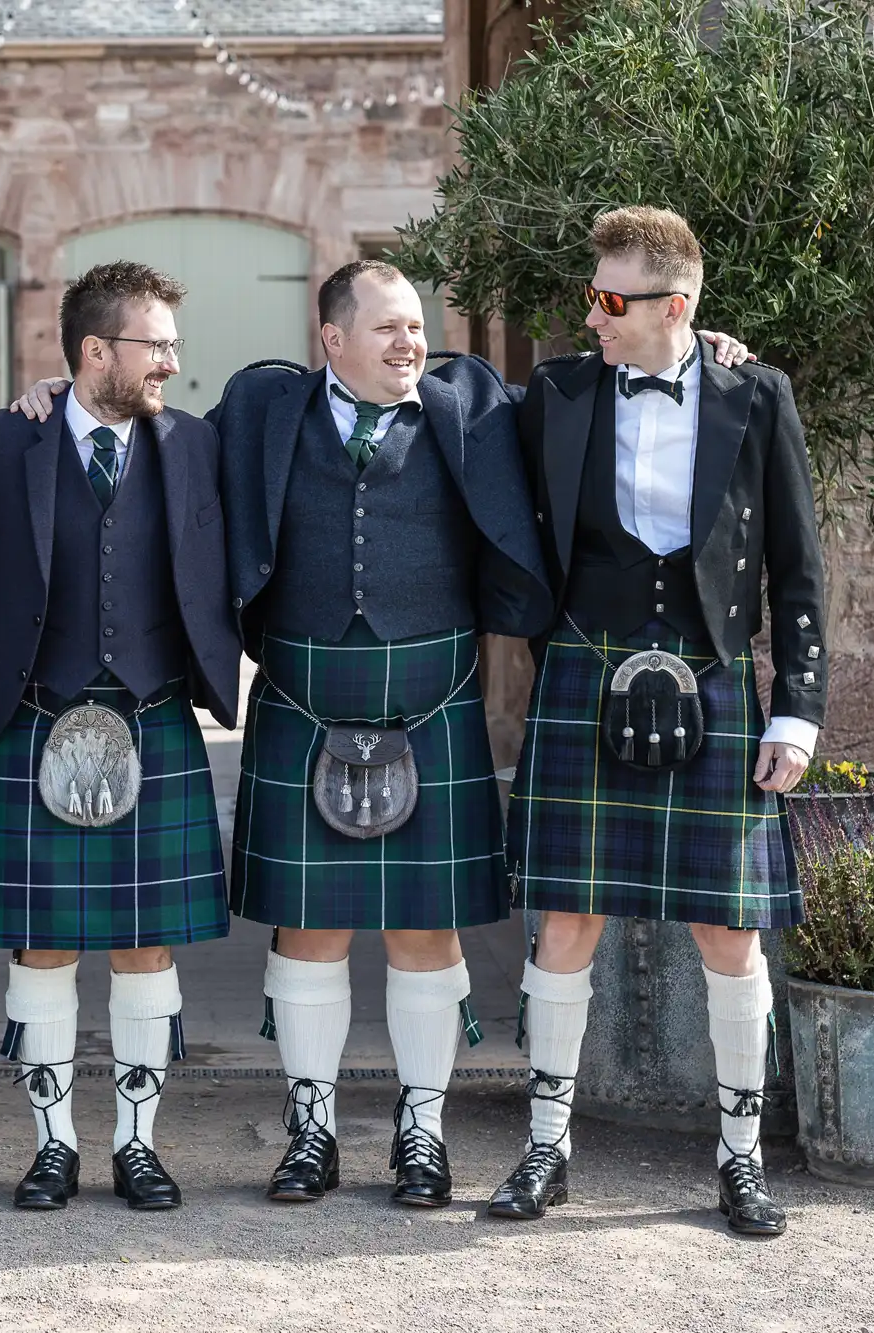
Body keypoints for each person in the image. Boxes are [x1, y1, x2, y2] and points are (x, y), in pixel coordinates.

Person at [491, 206, 824, 1238]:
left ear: (672, 305)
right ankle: (545, 1146)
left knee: (728, 930)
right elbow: (442, 409)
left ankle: (738, 1156)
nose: (589, 315)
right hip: (586, 675)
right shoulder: (554, 392)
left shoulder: (753, 396)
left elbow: (797, 569)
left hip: (708, 674)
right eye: (589, 295)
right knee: (565, 923)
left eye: (607, 299)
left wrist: (797, 712)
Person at [210, 260, 552, 1208]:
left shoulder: (467, 408)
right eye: (391, 329)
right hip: (303, 694)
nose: (413, 343)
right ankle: (311, 1130)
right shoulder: (263, 410)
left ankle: (423, 1132)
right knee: (308, 929)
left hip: (432, 701)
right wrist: (52, 395)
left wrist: (714, 354)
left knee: (423, 931)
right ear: (331, 340)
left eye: (418, 326)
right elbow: (151, 435)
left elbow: (580, 406)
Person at [0, 261, 240, 1211]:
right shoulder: (4, 444)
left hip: (154, 714)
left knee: (146, 946)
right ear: (93, 351)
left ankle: (135, 1144)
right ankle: (50, 1147)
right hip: (36, 717)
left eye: (170, 343)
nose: (170, 359)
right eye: (153, 344)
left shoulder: (198, 444)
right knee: (40, 945)